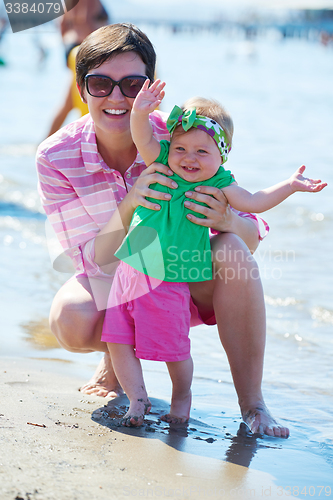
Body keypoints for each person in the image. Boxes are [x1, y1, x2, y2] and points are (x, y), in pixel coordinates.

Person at [37, 23, 287, 438]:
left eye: (131, 85)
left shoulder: (181, 138)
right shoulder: (56, 157)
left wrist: (228, 220)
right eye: (101, 83)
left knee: (233, 252)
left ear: (149, 88)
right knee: (70, 317)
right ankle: (118, 362)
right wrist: (132, 199)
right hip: (118, 278)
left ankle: (254, 404)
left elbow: (253, 236)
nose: (117, 98)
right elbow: (92, 259)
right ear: (81, 90)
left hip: (185, 278)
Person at [101, 80, 326, 427]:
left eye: (202, 152)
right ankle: (138, 399)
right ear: (170, 146)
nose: (188, 158)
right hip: (130, 269)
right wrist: (139, 110)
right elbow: (142, 135)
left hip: (171, 277)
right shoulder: (160, 162)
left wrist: (290, 186)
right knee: (117, 338)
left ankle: (181, 396)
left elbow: (256, 201)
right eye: (181, 148)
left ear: (222, 155)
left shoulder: (219, 184)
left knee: (174, 349)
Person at [46, 0, 109, 137]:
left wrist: (67, 45)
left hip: (74, 47)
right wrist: (98, 46)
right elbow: (84, 19)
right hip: (85, 48)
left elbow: (62, 23)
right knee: (79, 101)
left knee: (69, 103)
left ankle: (45, 143)